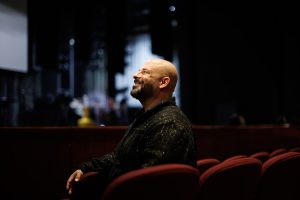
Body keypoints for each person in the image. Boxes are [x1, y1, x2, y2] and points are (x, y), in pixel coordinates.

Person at [66, 58, 197, 197]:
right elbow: (120, 158)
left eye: (145, 72)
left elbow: (148, 182)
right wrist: (85, 168)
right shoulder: (148, 116)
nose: (135, 75)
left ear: (163, 82)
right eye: (139, 70)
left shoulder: (170, 122)